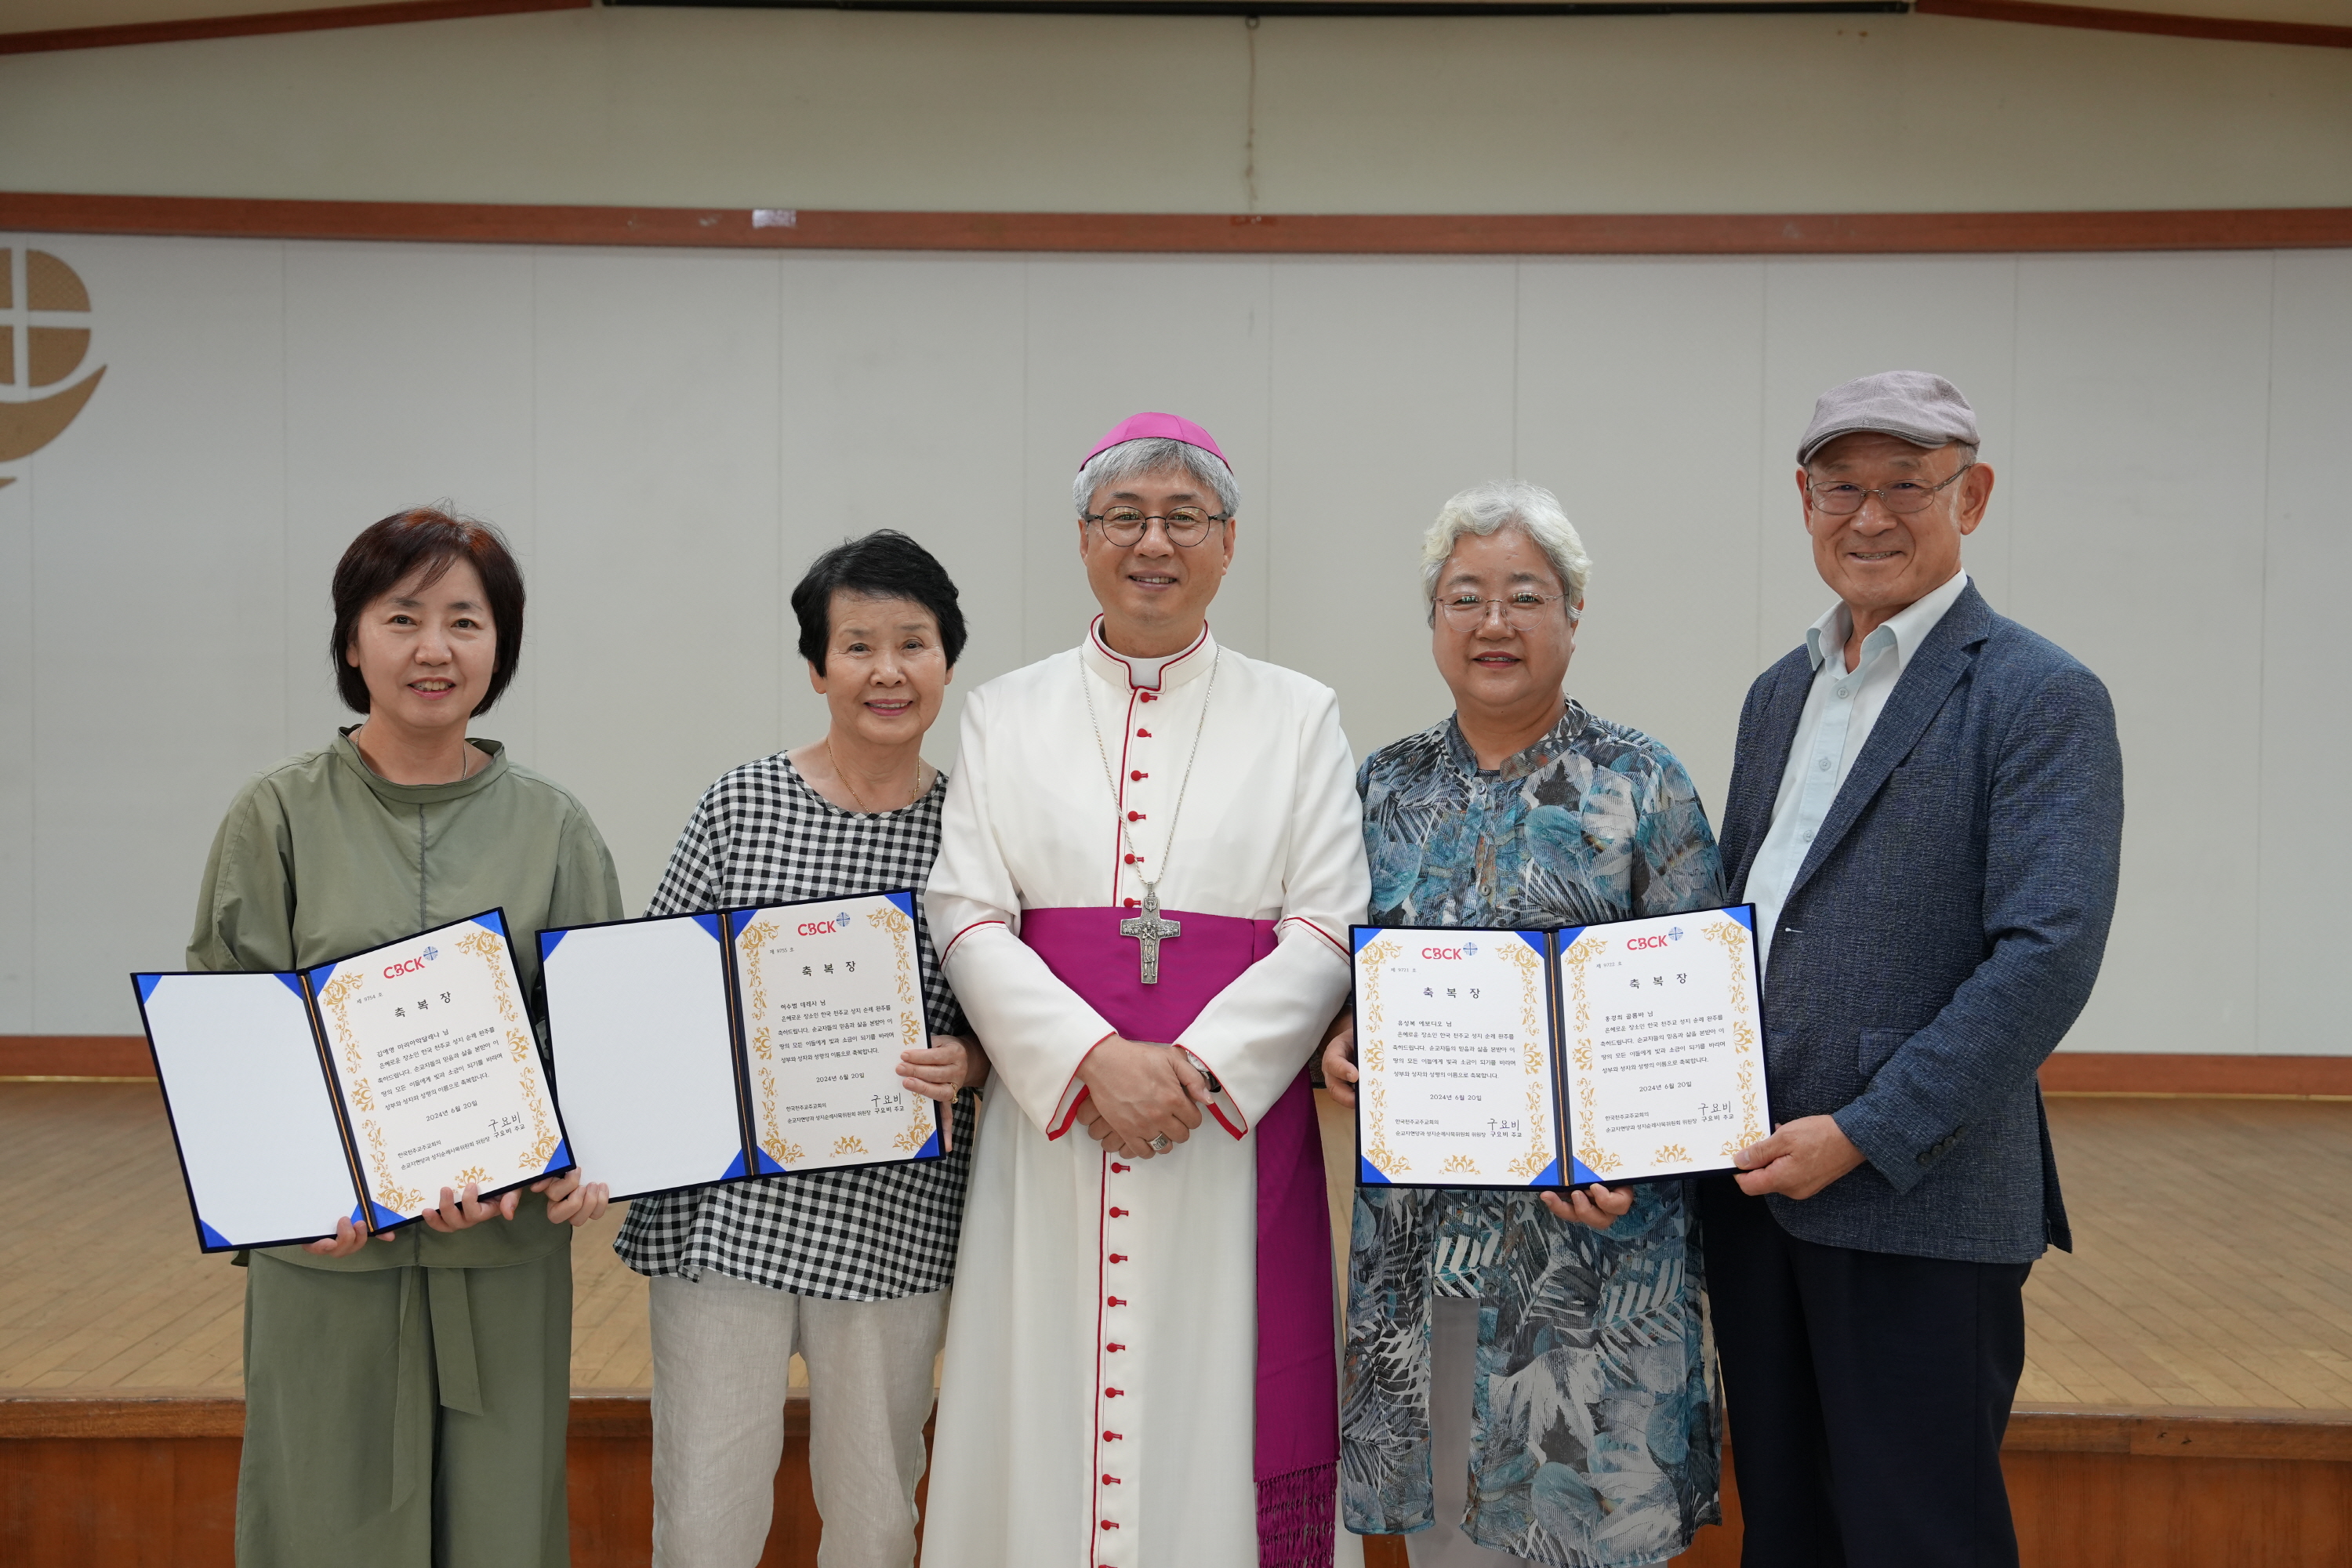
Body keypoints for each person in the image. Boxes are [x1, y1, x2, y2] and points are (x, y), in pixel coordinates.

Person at [920, 412, 1370, 1568]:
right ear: (1083, 540)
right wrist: (1087, 1061)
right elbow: (965, 908)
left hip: (1226, 1138)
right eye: (1124, 517)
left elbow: (1328, 921)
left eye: (1183, 518)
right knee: (1039, 1416)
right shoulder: (1004, 713)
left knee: (1215, 1417)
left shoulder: (1300, 712)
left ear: (1229, 543)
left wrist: (1197, 1069)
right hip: (1052, 1137)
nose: (1152, 542)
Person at [1702, 372, 2124, 1567]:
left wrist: (1868, 1131)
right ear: (1805, 500)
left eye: (1907, 487)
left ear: (1972, 496)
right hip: (1761, 1200)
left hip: (1918, 1201)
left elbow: (2047, 957)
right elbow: (1744, 929)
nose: (1871, 517)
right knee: (1787, 1528)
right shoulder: (1779, 694)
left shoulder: (2040, 695)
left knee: (1917, 1537)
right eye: (1844, 487)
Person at [187, 506, 621, 1568]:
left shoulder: (556, 827)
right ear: (352, 640)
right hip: (330, 1257)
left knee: (502, 1527)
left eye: (466, 622)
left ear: (499, 648)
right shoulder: (275, 817)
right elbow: (227, 1038)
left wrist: (583, 1158)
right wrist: (290, 1199)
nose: (435, 649)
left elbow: (601, 1044)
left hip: (502, 1254)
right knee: (324, 1523)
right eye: (403, 617)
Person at [1323, 482, 1726, 1567]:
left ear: (1573, 615)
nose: (1494, 622)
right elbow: (1336, 977)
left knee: (1589, 1538)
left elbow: (1699, 1024)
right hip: (1428, 1253)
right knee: (1451, 1534)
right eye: (1466, 597)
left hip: (1595, 1257)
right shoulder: (1379, 786)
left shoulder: (1645, 786)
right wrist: (1339, 1041)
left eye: (1524, 596)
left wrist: (1629, 1155)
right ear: (1434, 620)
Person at [612, 531, 989, 1568]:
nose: (887, 670)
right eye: (858, 644)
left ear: (948, 664)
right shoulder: (742, 803)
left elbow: (1008, 1007)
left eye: (913, 642)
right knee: (703, 1512)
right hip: (730, 1206)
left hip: (894, 1212)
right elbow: (654, 985)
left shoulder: (978, 828)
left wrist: (973, 1065)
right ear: (817, 668)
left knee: (876, 1518)